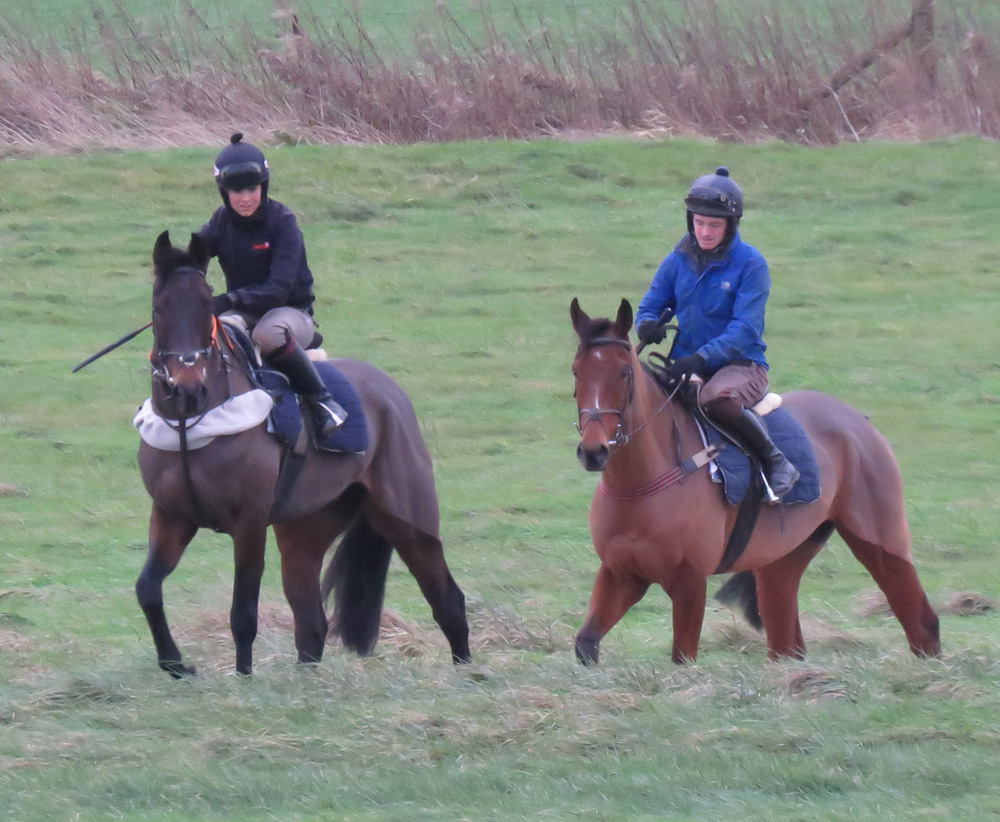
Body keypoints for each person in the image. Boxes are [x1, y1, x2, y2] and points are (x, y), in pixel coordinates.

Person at [634, 166, 800, 497]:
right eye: (698, 223)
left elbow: (745, 329)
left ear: (730, 225)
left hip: (742, 366)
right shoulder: (676, 260)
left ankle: (777, 462)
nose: (705, 232)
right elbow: (648, 306)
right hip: (686, 365)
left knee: (715, 399)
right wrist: (647, 326)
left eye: (714, 225)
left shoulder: (752, 265)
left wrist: (701, 357)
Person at [198, 132, 346, 441]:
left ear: (263, 186)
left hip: (290, 313)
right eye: (236, 191)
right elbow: (195, 256)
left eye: (252, 189)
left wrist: (228, 299)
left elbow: (278, 290)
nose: (245, 198)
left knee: (267, 335)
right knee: (210, 333)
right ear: (224, 192)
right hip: (245, 313)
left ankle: (324, 402)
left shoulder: (283, 223)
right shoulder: (219, 222)